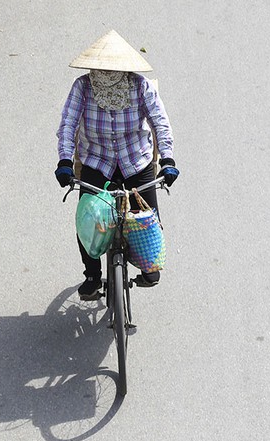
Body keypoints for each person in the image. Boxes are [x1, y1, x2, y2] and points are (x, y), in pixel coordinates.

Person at [55, 30, 179, 300]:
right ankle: (92, 275)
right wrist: (65, 161)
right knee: (88, 219)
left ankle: (148, 267)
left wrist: (167, 159)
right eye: (101, 69)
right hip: (96, 162)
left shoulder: (140, 86)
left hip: (136, 160)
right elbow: (68, 125)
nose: (106, 75)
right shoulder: (83, 88)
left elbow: (160, 122)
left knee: (147, 219)